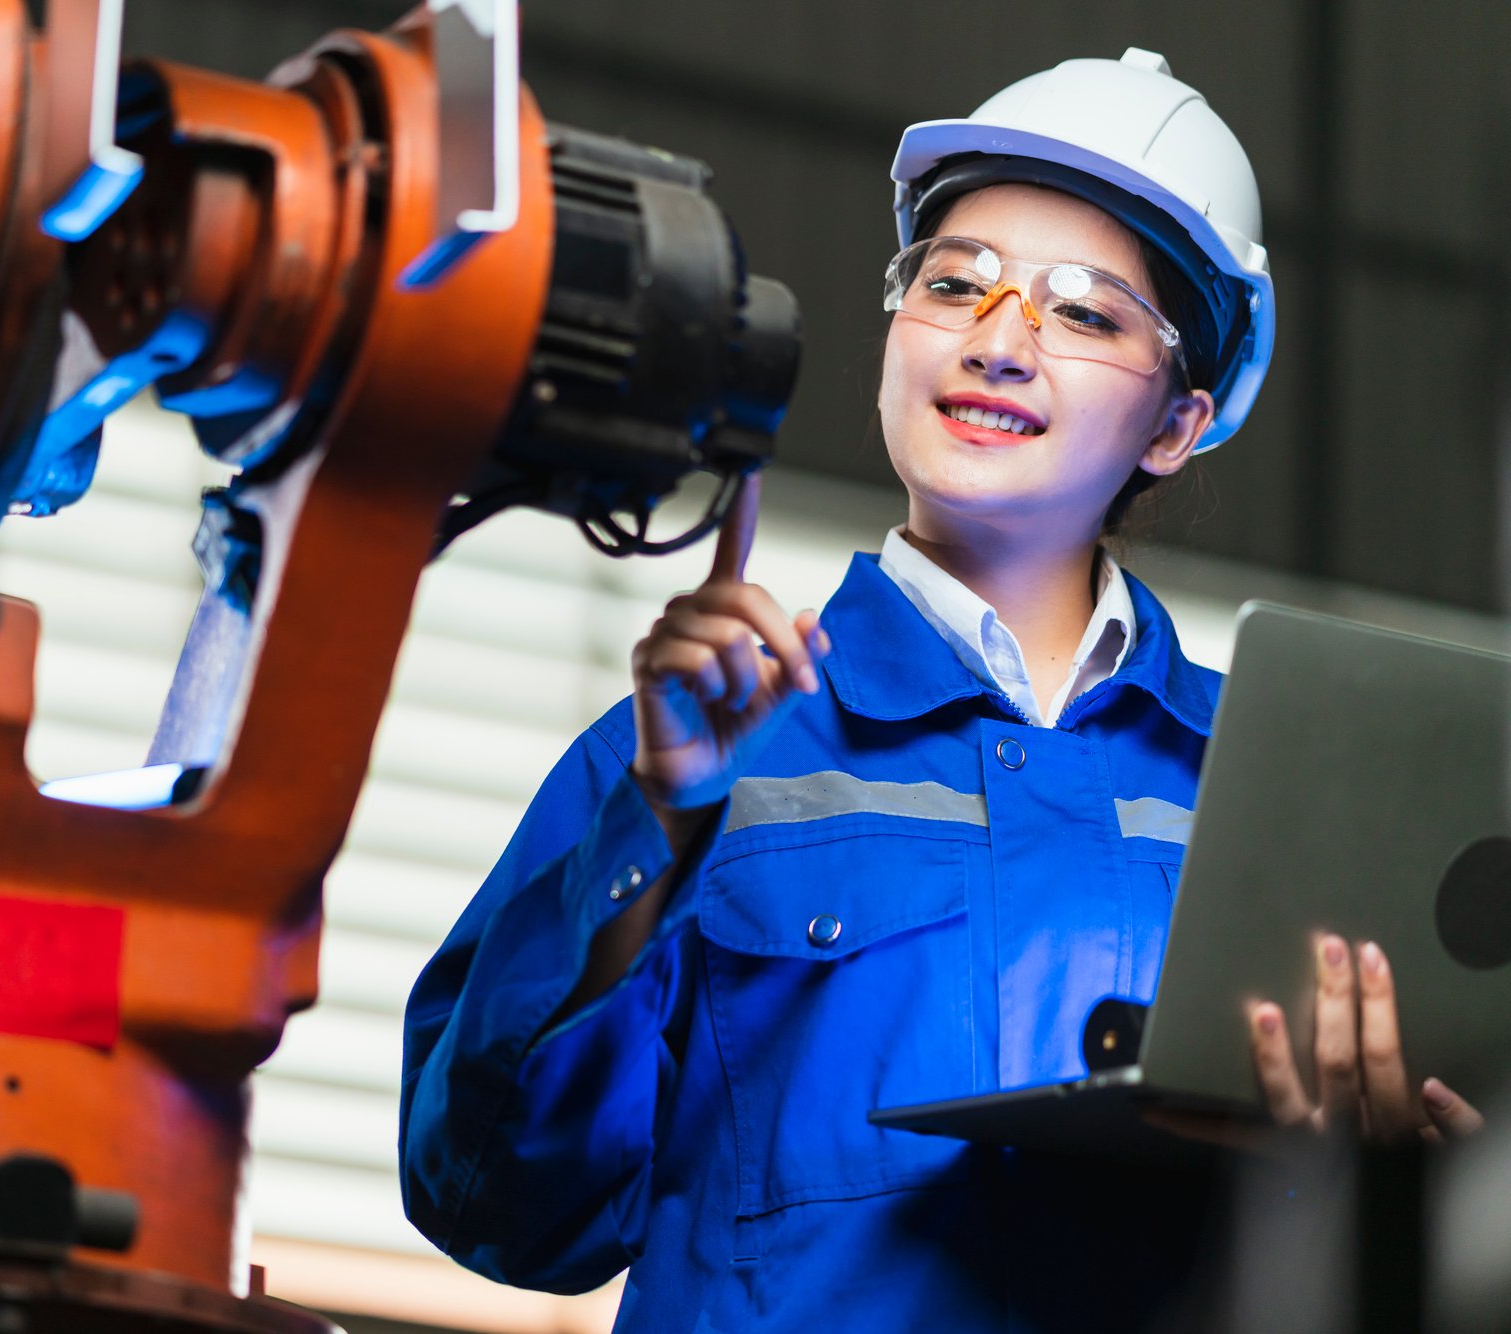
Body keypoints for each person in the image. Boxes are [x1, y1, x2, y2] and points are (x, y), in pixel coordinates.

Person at [398, 50, 1480, 1331]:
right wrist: (661, 823)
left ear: (1176, 425)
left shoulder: (1287, 791)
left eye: (1081, 312)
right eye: (954, 282)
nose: (997, 340)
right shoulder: (691, 751)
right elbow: (497, 1200)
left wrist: (1410, 1173)